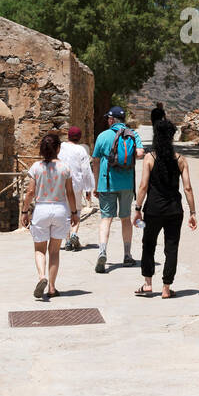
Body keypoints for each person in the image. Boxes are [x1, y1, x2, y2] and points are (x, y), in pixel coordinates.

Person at [133, 116, 196, 299]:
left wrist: (137, 209)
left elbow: (143, 186)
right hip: (174, 210)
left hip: (152, 210)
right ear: (171, 136)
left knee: (148, 244)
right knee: (171, 247)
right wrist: (193, 212)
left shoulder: (149, 158)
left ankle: (147, 284)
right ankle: (166, 288)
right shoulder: (181, 160)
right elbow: (187, 187)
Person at [21, 132, 79, 300]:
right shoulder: (65, 168)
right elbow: (69, 192)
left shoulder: (36, 167)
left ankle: (42, 277)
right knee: (54, 251)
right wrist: (74, 213)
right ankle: (52, 287)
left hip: (41, 210)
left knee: (40, 249)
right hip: (60, 210)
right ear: (58, 149)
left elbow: (30, 192)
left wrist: (25, 211)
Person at [91, 106, 144, 273]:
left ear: (112, 120)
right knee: (125, 217)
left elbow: (96, 161)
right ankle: (127, 255)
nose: (107, 120)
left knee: (106, 218)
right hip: (127, 183)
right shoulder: (132, 134)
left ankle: (102, 251)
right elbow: (141, 153)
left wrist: (95, 185)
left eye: (109, 118)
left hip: (106, 183)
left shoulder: (103, 136)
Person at [57, 125, 95, 250]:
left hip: (61, 184)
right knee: (76, 211)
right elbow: (86, 170)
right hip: (76, 185)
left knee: (65, 213)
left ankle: (67, 240)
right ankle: (74, 233)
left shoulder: (61, 147)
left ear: (68, 135)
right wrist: (88, 188)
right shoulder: (81, 150)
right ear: (79, 137)